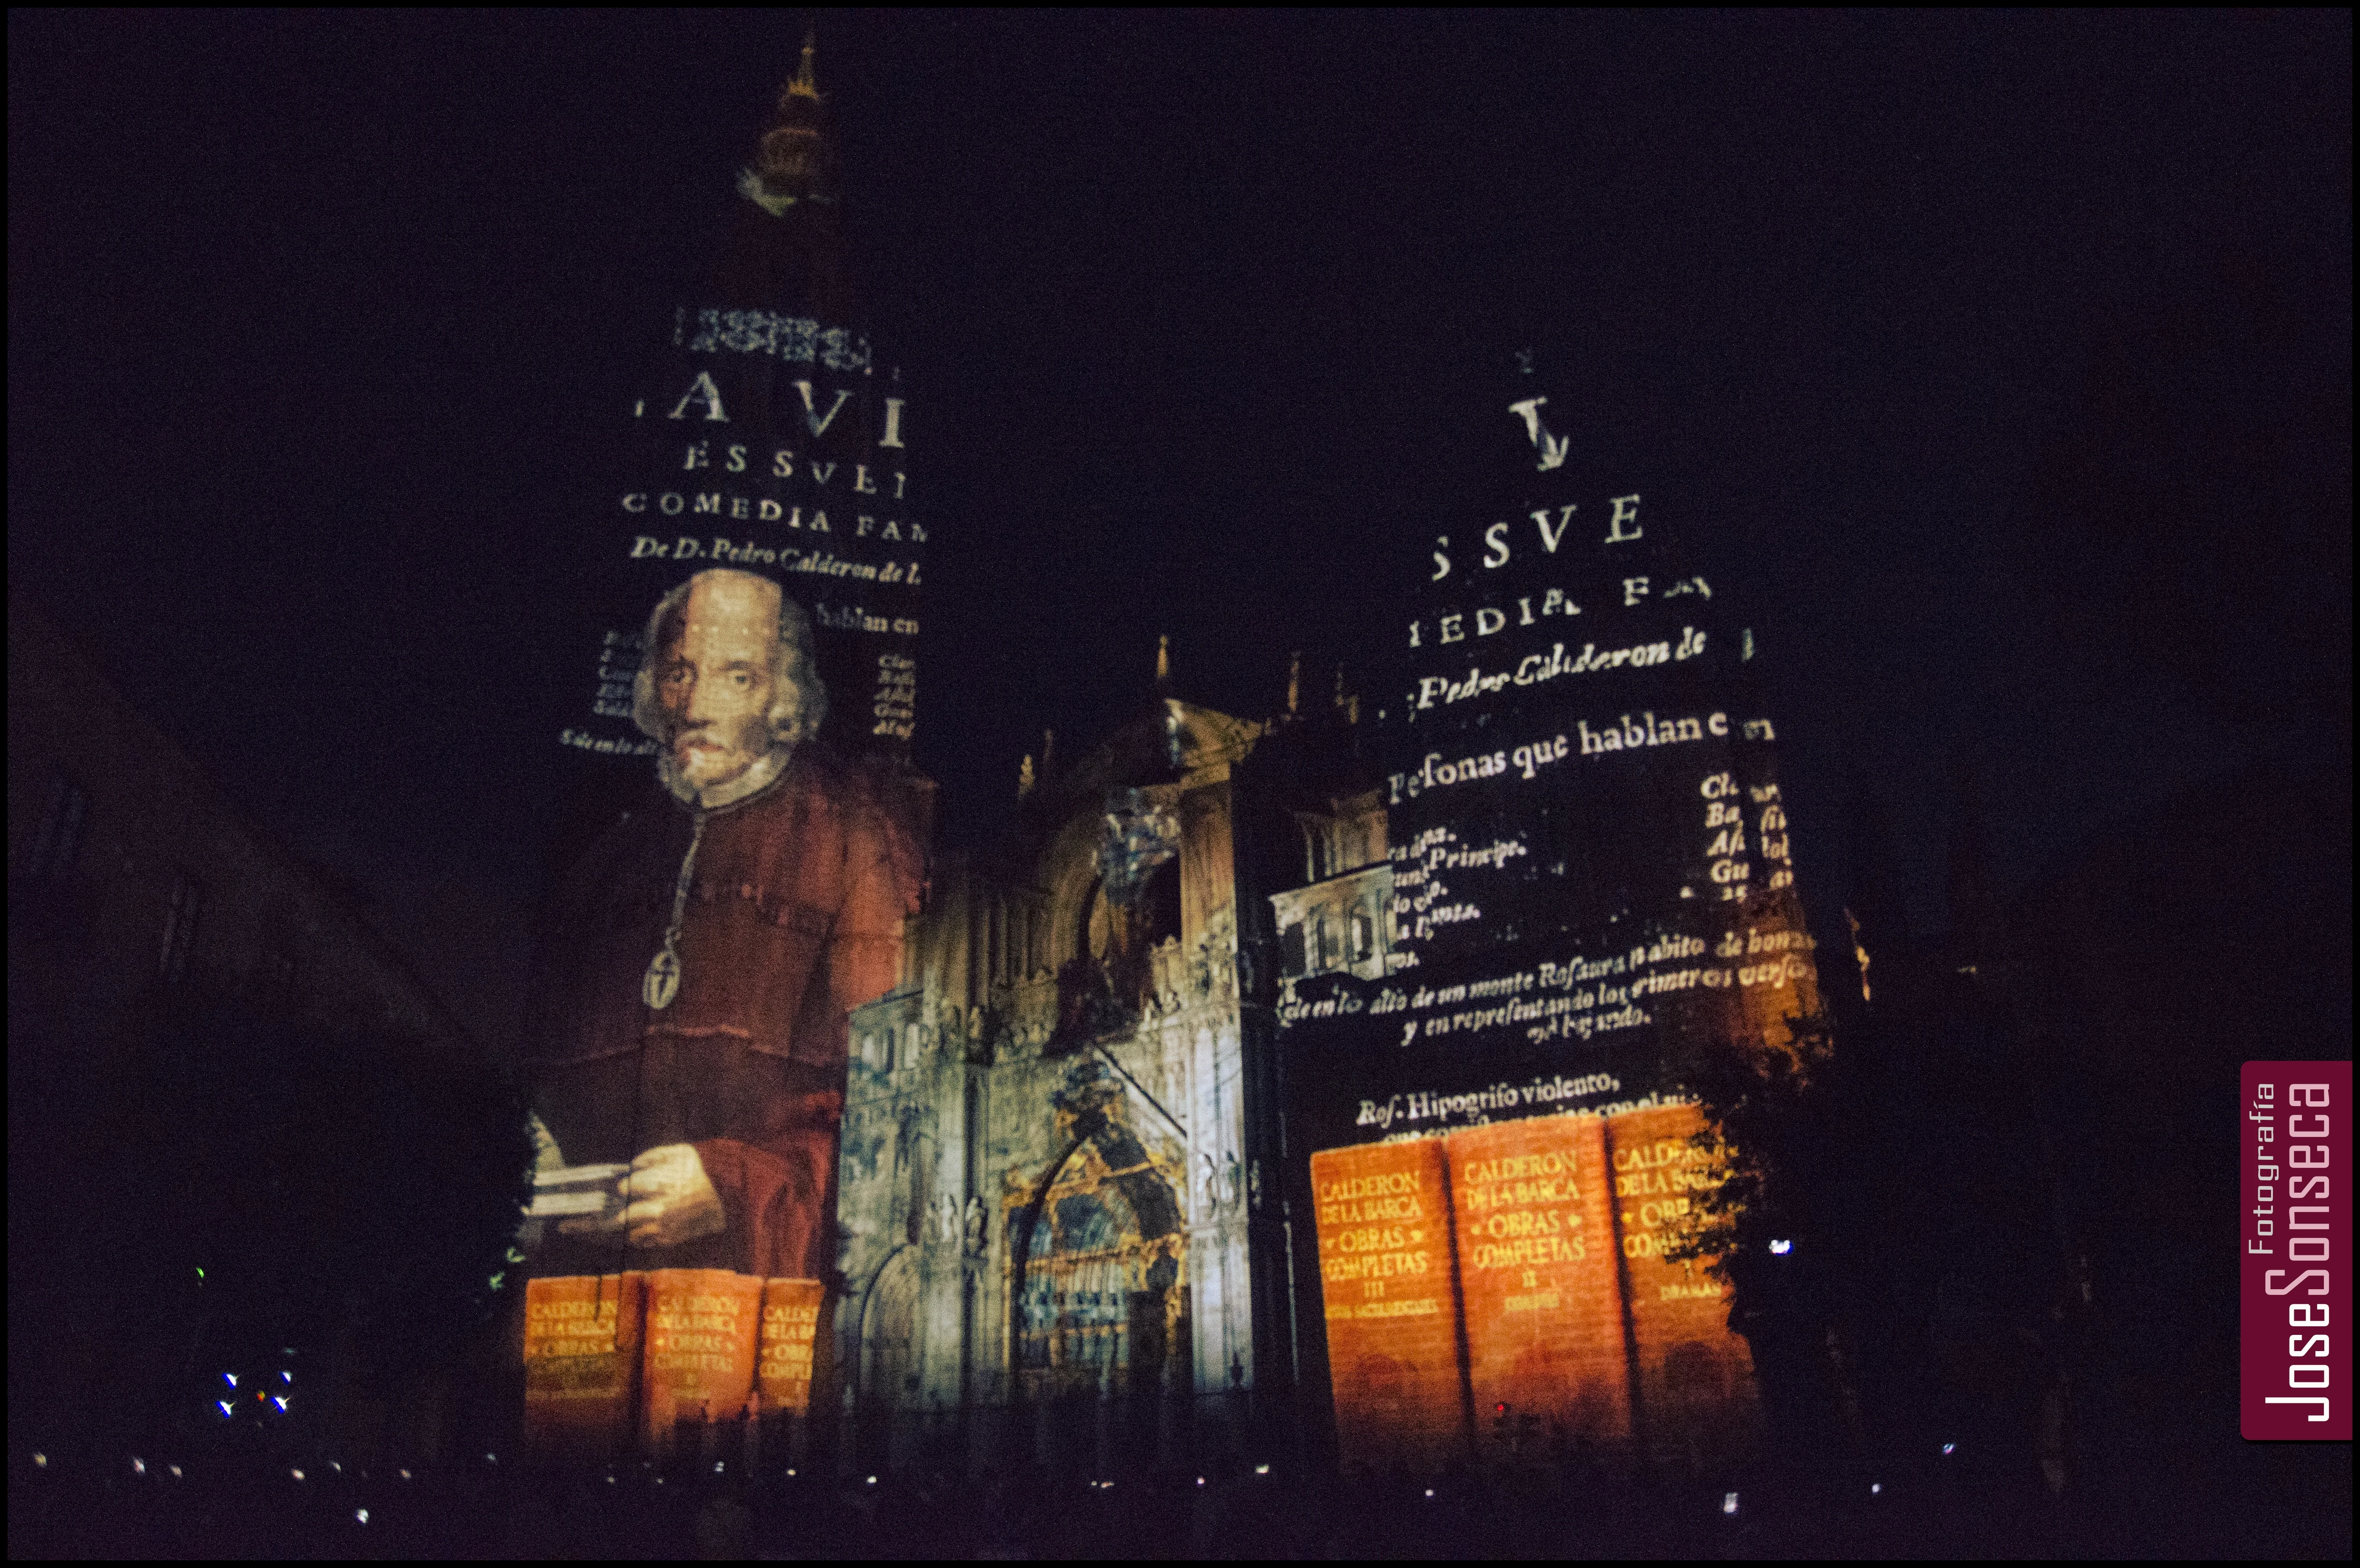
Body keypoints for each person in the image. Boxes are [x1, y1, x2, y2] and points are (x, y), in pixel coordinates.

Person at [525, 568, 921, 1281]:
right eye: (680, 673)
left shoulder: (855, 848)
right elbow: (540, 1072)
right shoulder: (605, 862)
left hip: (755, 1297)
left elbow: (896, 1110)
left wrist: (731, 1187)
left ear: (784, 697)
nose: (698, 707)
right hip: (581, 1288)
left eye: (737, 678)